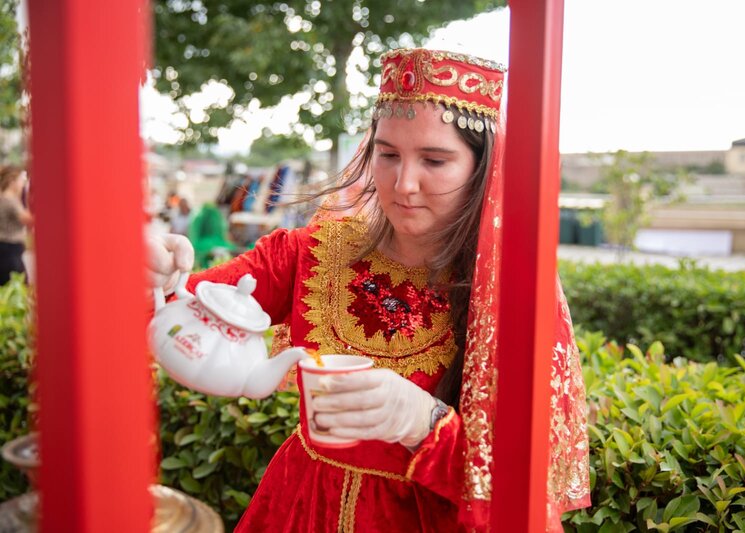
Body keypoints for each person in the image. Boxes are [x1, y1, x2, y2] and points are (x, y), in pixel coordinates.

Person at [148, 48, 590, 532]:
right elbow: (181, 310)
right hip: (298, 508)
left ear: (480, 170)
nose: (404, 184)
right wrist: (156, 273)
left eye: (435, 160)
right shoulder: (310, 251)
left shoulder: (509, 293)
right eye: (388, 155)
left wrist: (426, 423)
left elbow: (523, 482)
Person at [0, 165, 33, 285]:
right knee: (17, 285)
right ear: (12, 181)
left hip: (8, 249)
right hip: (9, 250)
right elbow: (28, 219)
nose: (22, 184)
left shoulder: (6, 199)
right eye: (20, 180)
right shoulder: (9, 200)